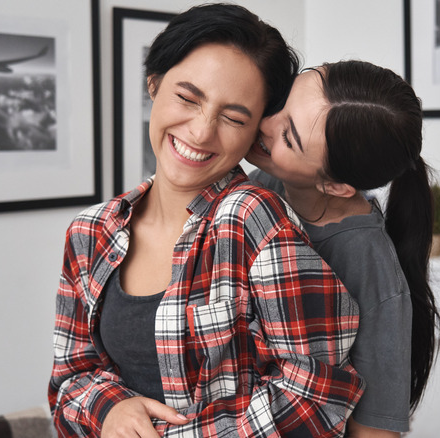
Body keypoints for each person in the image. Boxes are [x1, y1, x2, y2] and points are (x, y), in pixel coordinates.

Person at [48, 5, 364, 437]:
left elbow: (317, 393)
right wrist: (108, 412)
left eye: (233, 117)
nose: (200, 133)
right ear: (154, 82)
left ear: (255, 133)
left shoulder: (251, 219)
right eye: (187, 97)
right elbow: (69, 379)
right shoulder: (90, 232)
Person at [246, 60, 440, 437]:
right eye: (284, 101)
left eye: (289, 137)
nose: (265, 122)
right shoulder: (262, 186)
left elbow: (374, 432)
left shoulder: (372, 272)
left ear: (336, 186)